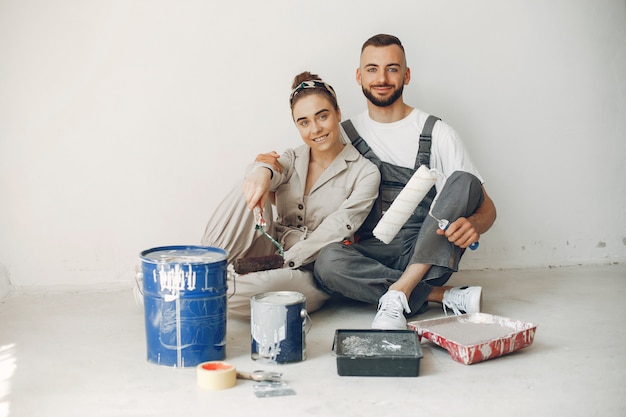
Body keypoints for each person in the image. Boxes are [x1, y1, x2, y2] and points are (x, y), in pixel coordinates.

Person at [256, 34, 496, 330]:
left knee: (464, 179)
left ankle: (399, 292)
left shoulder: (438, 133)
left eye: (392, 69)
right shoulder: (339, 133)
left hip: (426, 248)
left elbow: (486, 208)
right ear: (359, 76)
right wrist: (263, 169)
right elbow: (297, 177)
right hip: (368, 253)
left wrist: (474, 223)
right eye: (372, 69)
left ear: (406, 75)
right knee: (327, 261)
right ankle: (431, 296)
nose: (381, 78)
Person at [201, 71, 380, 318]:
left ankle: (200, 291)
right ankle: (201, 268)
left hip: (309, 268)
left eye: (323, 116)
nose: (315, 129)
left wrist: (285, 260)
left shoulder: (365, 172)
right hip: (268, 247)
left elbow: (338, 228)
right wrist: (261, 171)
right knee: (248, 187)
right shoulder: (292, 158)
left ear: (338, 113)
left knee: (253, 289)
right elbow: (267, 174)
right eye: (304, 122)